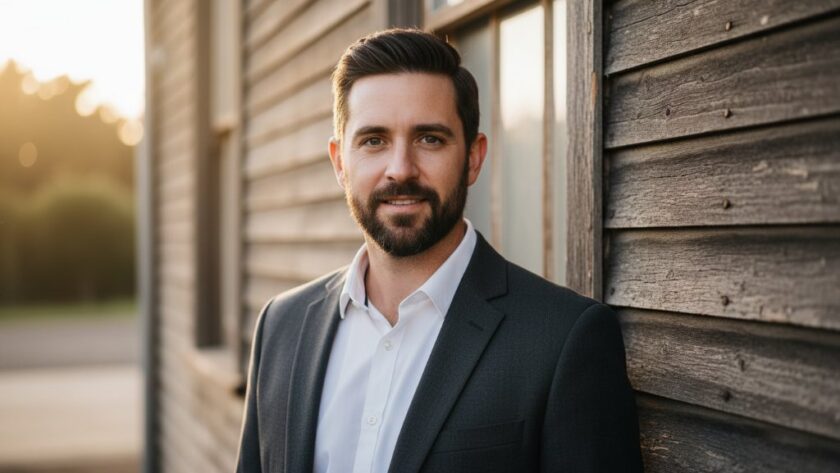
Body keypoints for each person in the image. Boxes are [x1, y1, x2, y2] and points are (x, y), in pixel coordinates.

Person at [236, 28, 643, 473]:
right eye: (374, 140)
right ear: (339, 163)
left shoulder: (565, 340)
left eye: (429, 138)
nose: (400, 169)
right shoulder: (281, 325)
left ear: (472, 157)